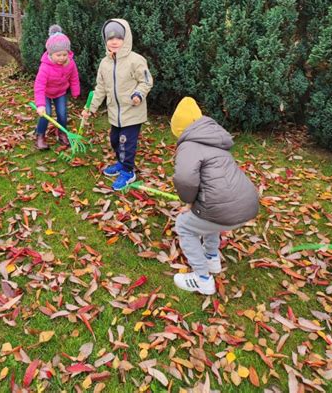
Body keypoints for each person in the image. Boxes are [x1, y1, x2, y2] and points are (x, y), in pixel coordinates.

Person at [171, 97, 259, 295]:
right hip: (246, 205)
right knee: (209, 219)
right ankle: (212, 258)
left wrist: (188, 202)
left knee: (184, 225)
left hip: (223, 210)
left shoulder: (189, 146)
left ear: (180, 129)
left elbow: (185, 179)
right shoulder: (215, 142)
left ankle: (202, 279)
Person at [82, 18, 153, 190]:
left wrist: (138, 94)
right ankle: (121, 163)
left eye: (119, 38)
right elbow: (100, 88)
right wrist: (90, 108)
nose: (114, 42)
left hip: (132, 112)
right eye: (110, 38)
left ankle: (128, 172)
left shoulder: (135, 60)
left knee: (126, 142)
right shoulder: (104, 63)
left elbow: (146, 81)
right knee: (115, 140)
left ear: (126, 38)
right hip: (115, 113)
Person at [34, 25, 80, 150]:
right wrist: (40, 104)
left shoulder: (70, 63)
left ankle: (62, 133)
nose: (62, 58)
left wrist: (75, 91)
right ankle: (40, 135)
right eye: (58, 55)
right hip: (46, 94)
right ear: (50, 53)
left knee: (62, 113)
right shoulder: (45, 67)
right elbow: (39, 86)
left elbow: (74, 77)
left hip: (60, 92)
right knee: (46, 113)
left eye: (64, 54)